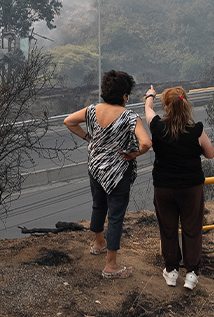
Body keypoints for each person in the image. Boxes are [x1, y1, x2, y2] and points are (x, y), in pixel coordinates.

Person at [63, 70, 152, 279]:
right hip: (118, 173)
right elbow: (147, 143)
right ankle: (111, 265)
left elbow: (69, 121)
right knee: (115, 216)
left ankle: (98, 243)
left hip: (95, 167)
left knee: (98, 206)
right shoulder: (130, 117)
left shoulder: (92, 110)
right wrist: (134, 153)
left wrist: (88, 138)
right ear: (124, 95)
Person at [144, 85, 214, 290]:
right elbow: (210, 154)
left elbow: (148, 110)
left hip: (164, 187)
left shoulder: (157, 127)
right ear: (186, 105)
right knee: (192, 228)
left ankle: (172, 271)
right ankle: (191, 274)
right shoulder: (196, 130)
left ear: (166, 107)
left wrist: (150, 96)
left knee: (168, 228)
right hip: (191, 187)